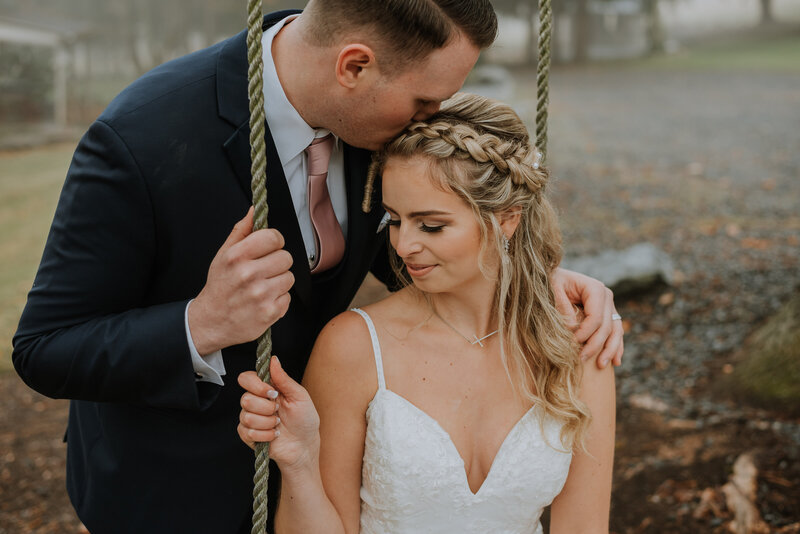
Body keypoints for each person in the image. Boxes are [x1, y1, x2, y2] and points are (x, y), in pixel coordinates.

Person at [12, 2, 621, 533]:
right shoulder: (142, 136)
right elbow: (45, 347)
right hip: (177, 489)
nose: (431, 120)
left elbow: (411, 231)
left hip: (343, 472)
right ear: (354, 66)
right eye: (425, 100)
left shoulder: (373, 121)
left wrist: (527, 282)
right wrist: (202, 323)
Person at [238, 92, 616, 533]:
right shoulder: (354, 346)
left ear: (507, 219)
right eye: (395, 220)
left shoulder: (579, 342)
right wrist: (300, 463)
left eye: (431, 225)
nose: (403, 246)